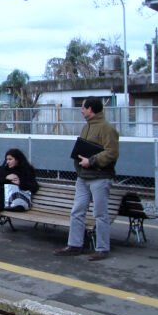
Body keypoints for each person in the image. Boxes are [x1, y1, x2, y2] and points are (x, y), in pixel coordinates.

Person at [55, 96, 119, 261]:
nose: (81, 110)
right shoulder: (86, 127)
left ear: (91, 109)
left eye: (83, 108)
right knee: (77, 211)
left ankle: (102, 248)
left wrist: (91, 161)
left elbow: (111, 152)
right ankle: (74, 245)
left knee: (100, 213)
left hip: (100, 177)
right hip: (83, 177)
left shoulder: (107, 129)